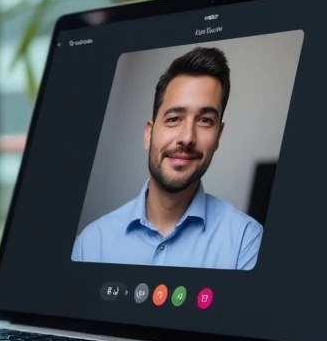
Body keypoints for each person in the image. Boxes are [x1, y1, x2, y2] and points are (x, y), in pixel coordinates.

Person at [72, 47, 263, 270]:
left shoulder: (246, 242)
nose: (187, 138)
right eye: (174, 119)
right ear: (148, 134)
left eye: (205, 121)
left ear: (218, 136)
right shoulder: (93, 243)